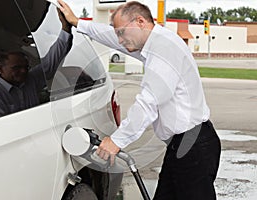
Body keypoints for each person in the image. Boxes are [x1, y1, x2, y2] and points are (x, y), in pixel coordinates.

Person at [59, 1, 221, 199]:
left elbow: (148, 103)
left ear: (140, 22)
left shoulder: (163, 50)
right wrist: (78, 23)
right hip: (184, 146)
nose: (119, 41)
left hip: (193, 148)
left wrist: (117, 140)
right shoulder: (154, 41)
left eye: (122, 33)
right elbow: (110, 35)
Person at [0, 9, 73, 122]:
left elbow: (51, 62)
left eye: (26, 67)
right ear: (0, 69)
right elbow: (0, 127)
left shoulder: (30, 80)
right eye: (16, 68)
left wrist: (65, 28)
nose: (23, 71)